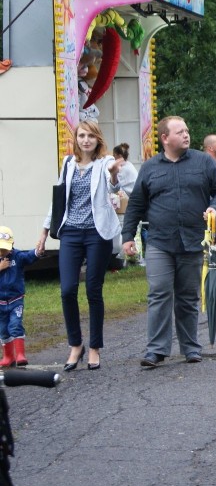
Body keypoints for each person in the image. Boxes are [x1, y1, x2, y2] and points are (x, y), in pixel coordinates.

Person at [121, 116, 216, 367]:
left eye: (187, 131)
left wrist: (214, 207)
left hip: (193, 240)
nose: (186, 135)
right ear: (164, 138)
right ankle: (156, 350)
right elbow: (137, 203)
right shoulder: (150, 167)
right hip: (160, 242)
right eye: (180, 132)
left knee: (188, 296)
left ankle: (191, 347)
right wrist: (128, 236)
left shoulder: (203, 161)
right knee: (159, 293)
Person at [36, 120, 126, 371]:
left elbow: (115, 189)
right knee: (67, 290)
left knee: (93, 291)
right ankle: (76, 344)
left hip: (97, 234)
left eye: (91, 136)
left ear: (98, 139)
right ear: (76, 139)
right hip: (71, 233)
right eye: (82, 135)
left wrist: (114, 174)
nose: (86, 140)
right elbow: (57, 201)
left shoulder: (105, 163)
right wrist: (44, 232)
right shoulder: (67, 164)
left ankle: (95, 347)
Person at [0, 226, 41, 368]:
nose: (2, 252)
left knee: (15, 325)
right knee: (3, 329)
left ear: (12, 244)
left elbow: (29, 257)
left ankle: (20, 355)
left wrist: (37, 251)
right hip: (0, 303)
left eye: (5, 248)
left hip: (15, 300)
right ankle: (8, 356)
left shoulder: (17, 256)